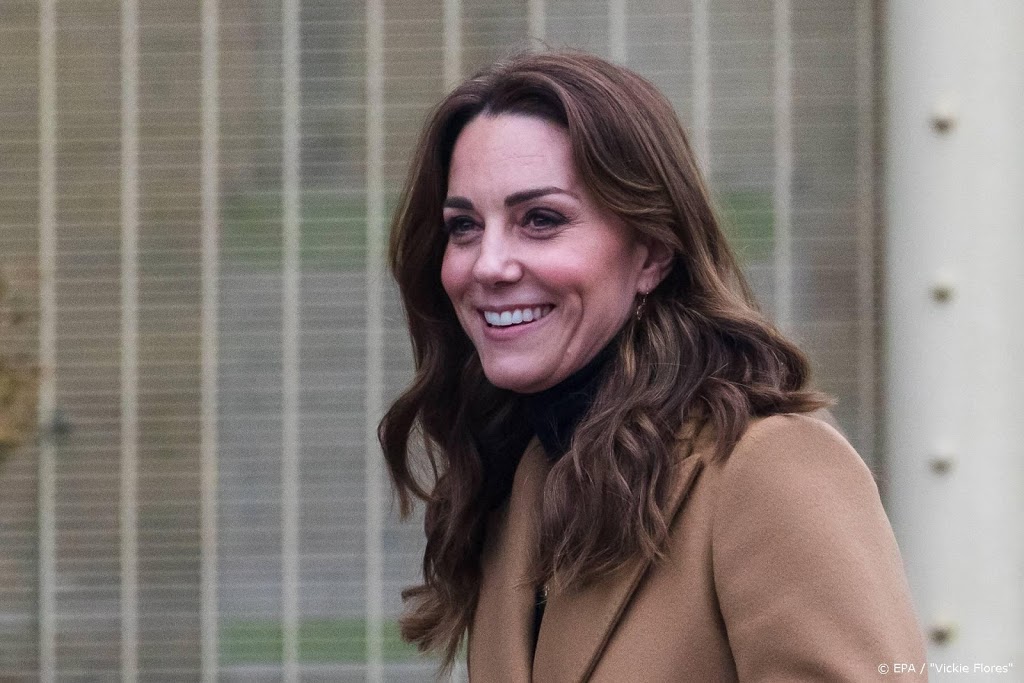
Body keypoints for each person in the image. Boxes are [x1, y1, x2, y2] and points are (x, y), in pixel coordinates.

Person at [379, 51, 925, 680]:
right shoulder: (519, 483)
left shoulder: (767, 467)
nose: (488, 265)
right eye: (464, 227)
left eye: (541, 220)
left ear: (653, 252)